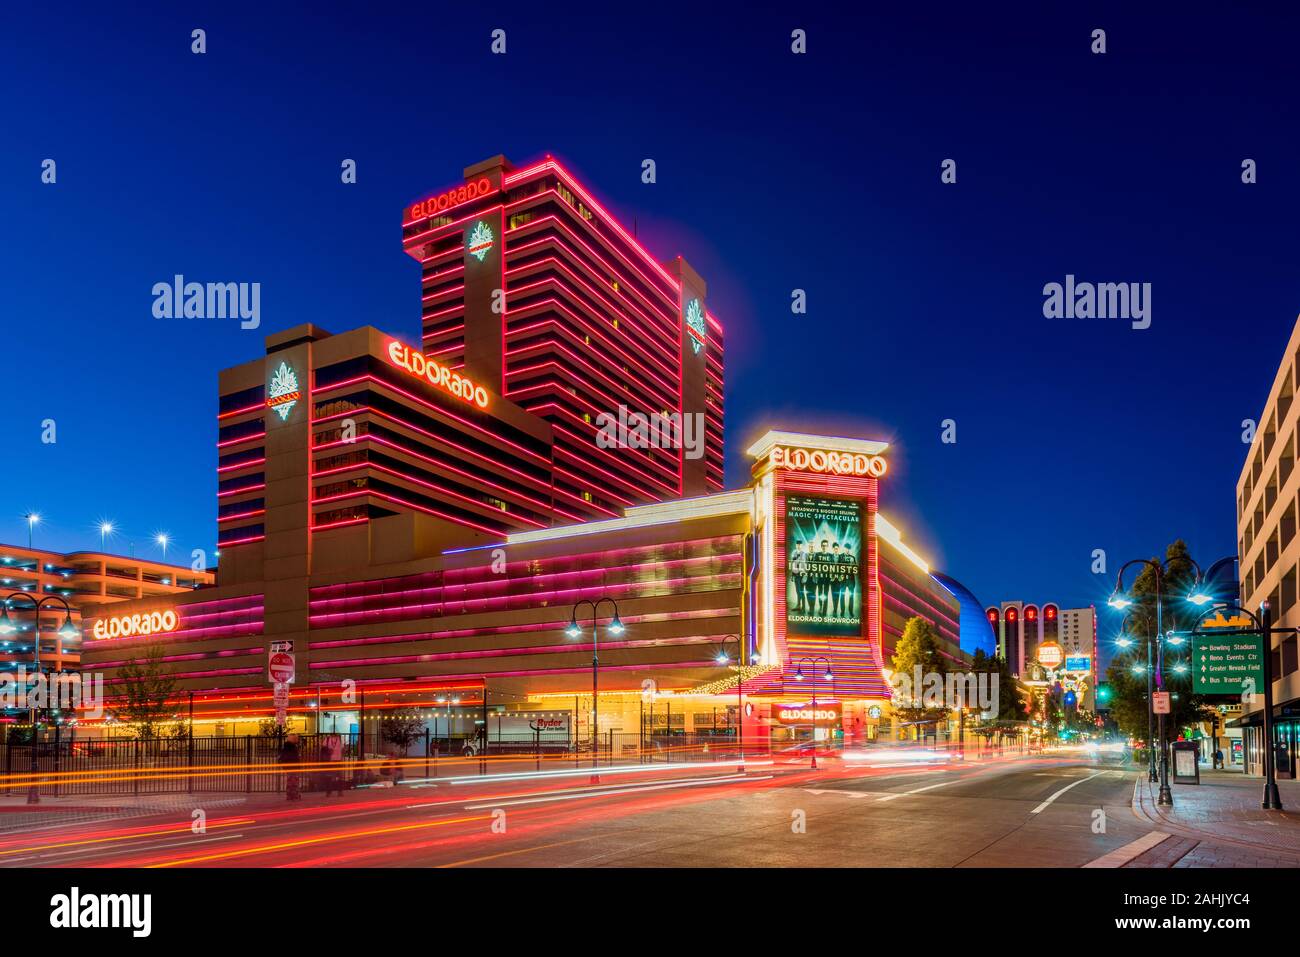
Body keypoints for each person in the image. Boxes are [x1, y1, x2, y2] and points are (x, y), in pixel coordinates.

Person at [279, 733, 301, 801]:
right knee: (295, 781)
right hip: (293, 766)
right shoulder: (292, 747)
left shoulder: (286, 747)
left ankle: (289, 795)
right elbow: (295, 757)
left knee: (289, 781)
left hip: (288, 766)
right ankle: (295, 795)